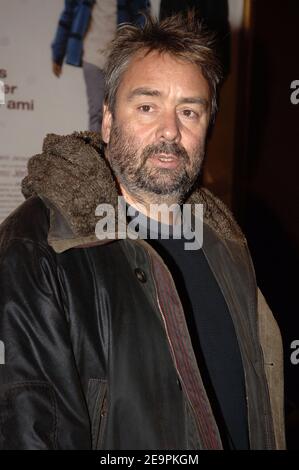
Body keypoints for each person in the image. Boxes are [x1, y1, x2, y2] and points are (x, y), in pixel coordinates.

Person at [0, 14, 285, 450]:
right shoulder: (36, 249)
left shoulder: (226, 243)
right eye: (147, 106)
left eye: (189, 111)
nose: (170, 131)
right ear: (109, 120)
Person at [51, 0, 149, 131]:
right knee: (97, 112)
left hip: (121, 57)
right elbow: (68, 16)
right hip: (92, 55)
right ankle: (95, 151)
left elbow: (141, 17)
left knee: (120, 111)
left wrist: (144, 55)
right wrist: (58, 53)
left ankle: (116, 150)